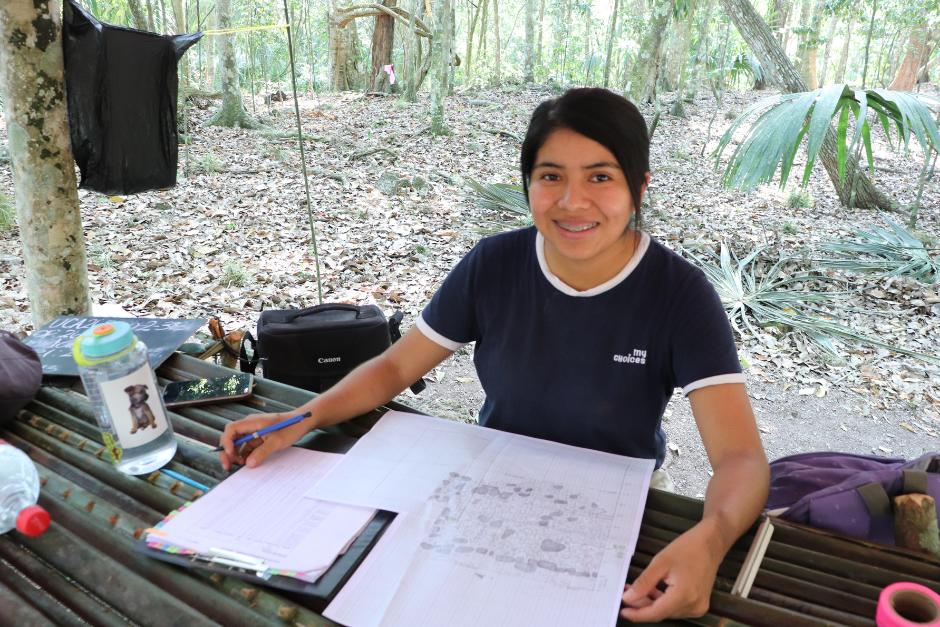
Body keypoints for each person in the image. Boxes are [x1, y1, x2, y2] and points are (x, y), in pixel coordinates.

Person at [219, 87, 769, 622]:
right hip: (491, 484)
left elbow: (741, 457)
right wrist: (301, 418)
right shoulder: (494, 265)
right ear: (528, 183)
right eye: (551, 176)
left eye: (601, 177)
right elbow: (395, 366)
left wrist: (712, 538)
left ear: (639, 187)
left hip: (616, 504)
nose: (572, 202)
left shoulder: (680, 294)